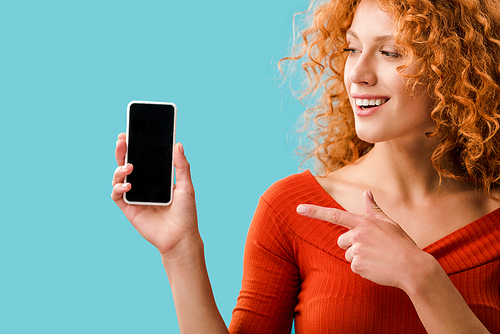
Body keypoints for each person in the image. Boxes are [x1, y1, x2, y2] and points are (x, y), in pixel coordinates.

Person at [111, 0, 500, 332]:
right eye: (352, 49)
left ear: (457, 68)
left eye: (391, 52)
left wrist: (421, 277)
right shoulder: (290, 209)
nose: (358, 74)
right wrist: (180, 251)